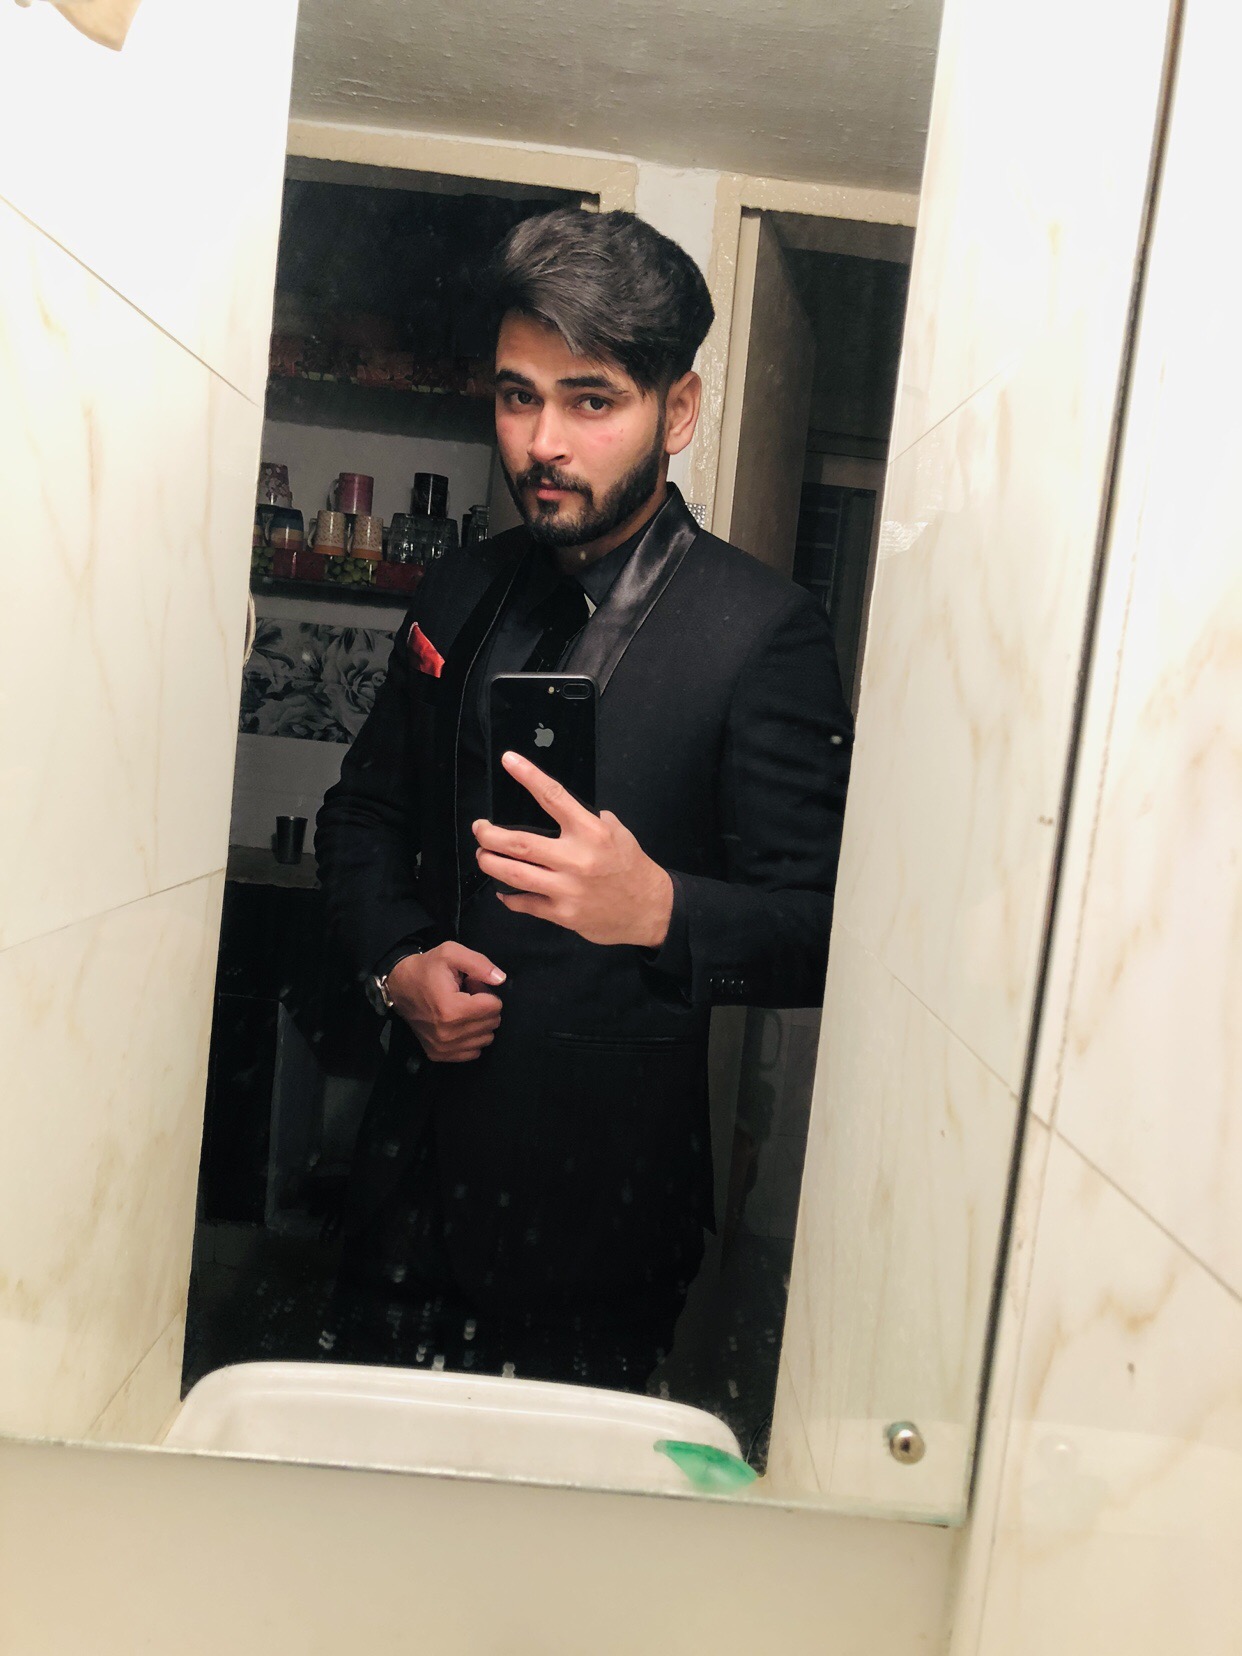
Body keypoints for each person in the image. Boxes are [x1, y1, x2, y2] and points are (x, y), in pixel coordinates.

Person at [315, 207, 853, 1391]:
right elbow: (363, 817)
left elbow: (822, 935)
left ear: (679, 410)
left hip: (599, 1224)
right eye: (518, 397)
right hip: (400, 1185)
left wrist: (660, 910)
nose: (543, 443)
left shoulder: (761, 633)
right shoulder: (459, 587)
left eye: (591, 400)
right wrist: (397, 965)